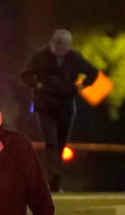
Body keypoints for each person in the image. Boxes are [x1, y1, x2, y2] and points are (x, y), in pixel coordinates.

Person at [21, 29, 98, 192]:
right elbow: (26, 74)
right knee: (51, 141)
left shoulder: (74, 58)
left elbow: (93, 72)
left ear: (68, 47)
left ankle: (54, 179)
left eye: (64, 46)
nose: (60, 49)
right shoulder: (41, 56)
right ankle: (53, 176)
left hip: (66, 104)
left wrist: (82, 85)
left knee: (61, 143)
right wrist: (37, 85)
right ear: (52, 44)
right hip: (45, 104)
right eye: (57, 45)